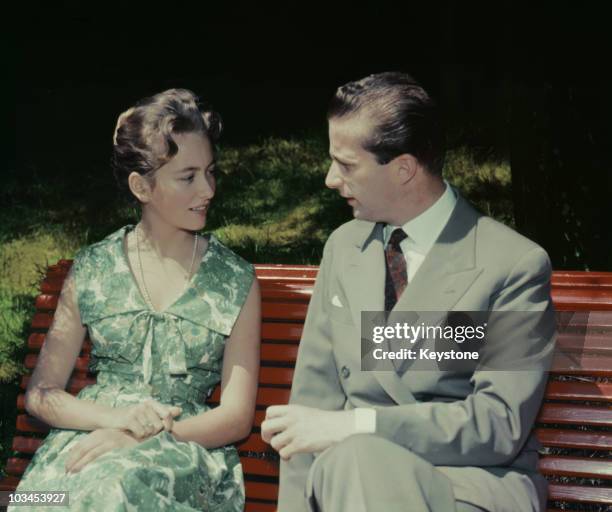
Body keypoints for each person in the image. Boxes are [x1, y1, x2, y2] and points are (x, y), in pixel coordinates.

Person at [261, 72, 555, 511]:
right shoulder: (346, 249)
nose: (329, 179)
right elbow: (311, 408)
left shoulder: (510, 265)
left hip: (465, 488)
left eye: (345, 165)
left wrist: (357, 426)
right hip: (349, 483)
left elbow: (496, 425)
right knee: (354, 460)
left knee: (358, 454)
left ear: (403, 169)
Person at [10, 89, 261, 511]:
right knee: (37, 500)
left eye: (211, 172)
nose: (209, 189)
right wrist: (114, 422)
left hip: (180, 452)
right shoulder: (94, 268)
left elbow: (236, 418)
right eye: (188, 176)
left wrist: (144, 435)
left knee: (116, 491)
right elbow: (42, 393)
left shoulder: (234, 279)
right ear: (141, 186)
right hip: (84, 447)